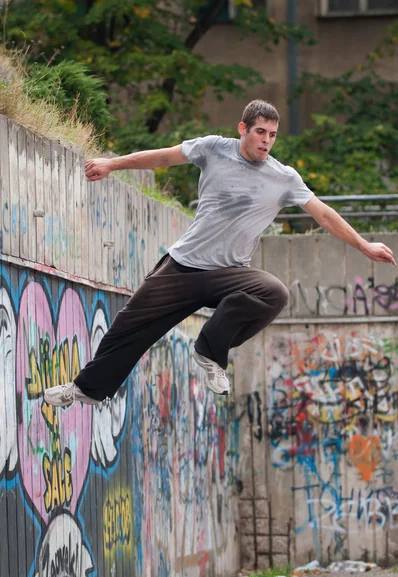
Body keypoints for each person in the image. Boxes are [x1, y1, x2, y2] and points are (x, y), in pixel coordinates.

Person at [44, 99, 396, 407]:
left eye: (272, 135)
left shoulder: (284, 177)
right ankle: (83, 389)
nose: (266, 142)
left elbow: (323, 214)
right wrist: (111, 164)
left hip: (229, 275)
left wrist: (363, 245)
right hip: (182, 267)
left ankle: (210, 351)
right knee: (127, 328)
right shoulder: (213, 148)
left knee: (274, 292)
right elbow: (164, 156)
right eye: (260, 132)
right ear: (243, 128)